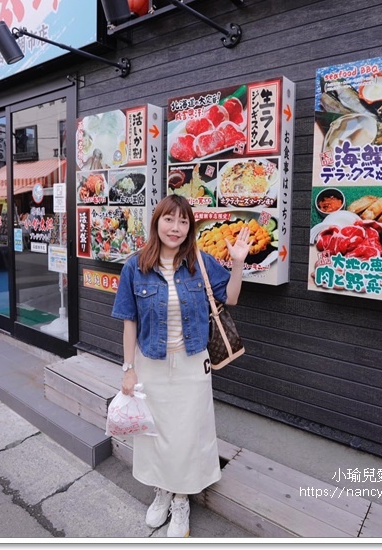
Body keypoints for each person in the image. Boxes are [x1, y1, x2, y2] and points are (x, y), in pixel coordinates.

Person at [111, 195, 250, 538]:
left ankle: (181, 500)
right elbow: (129, 320)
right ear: (157, 222)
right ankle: (161, 492)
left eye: (184, 221)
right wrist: (128, 368)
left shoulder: (199, 262)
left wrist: (237, 264)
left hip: (191, 364)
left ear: (190, 227)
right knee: (155, 434)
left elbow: (230, 298)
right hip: (151, 364)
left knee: (187, 436)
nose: (176, 228)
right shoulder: (136, 266)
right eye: (169, 220)